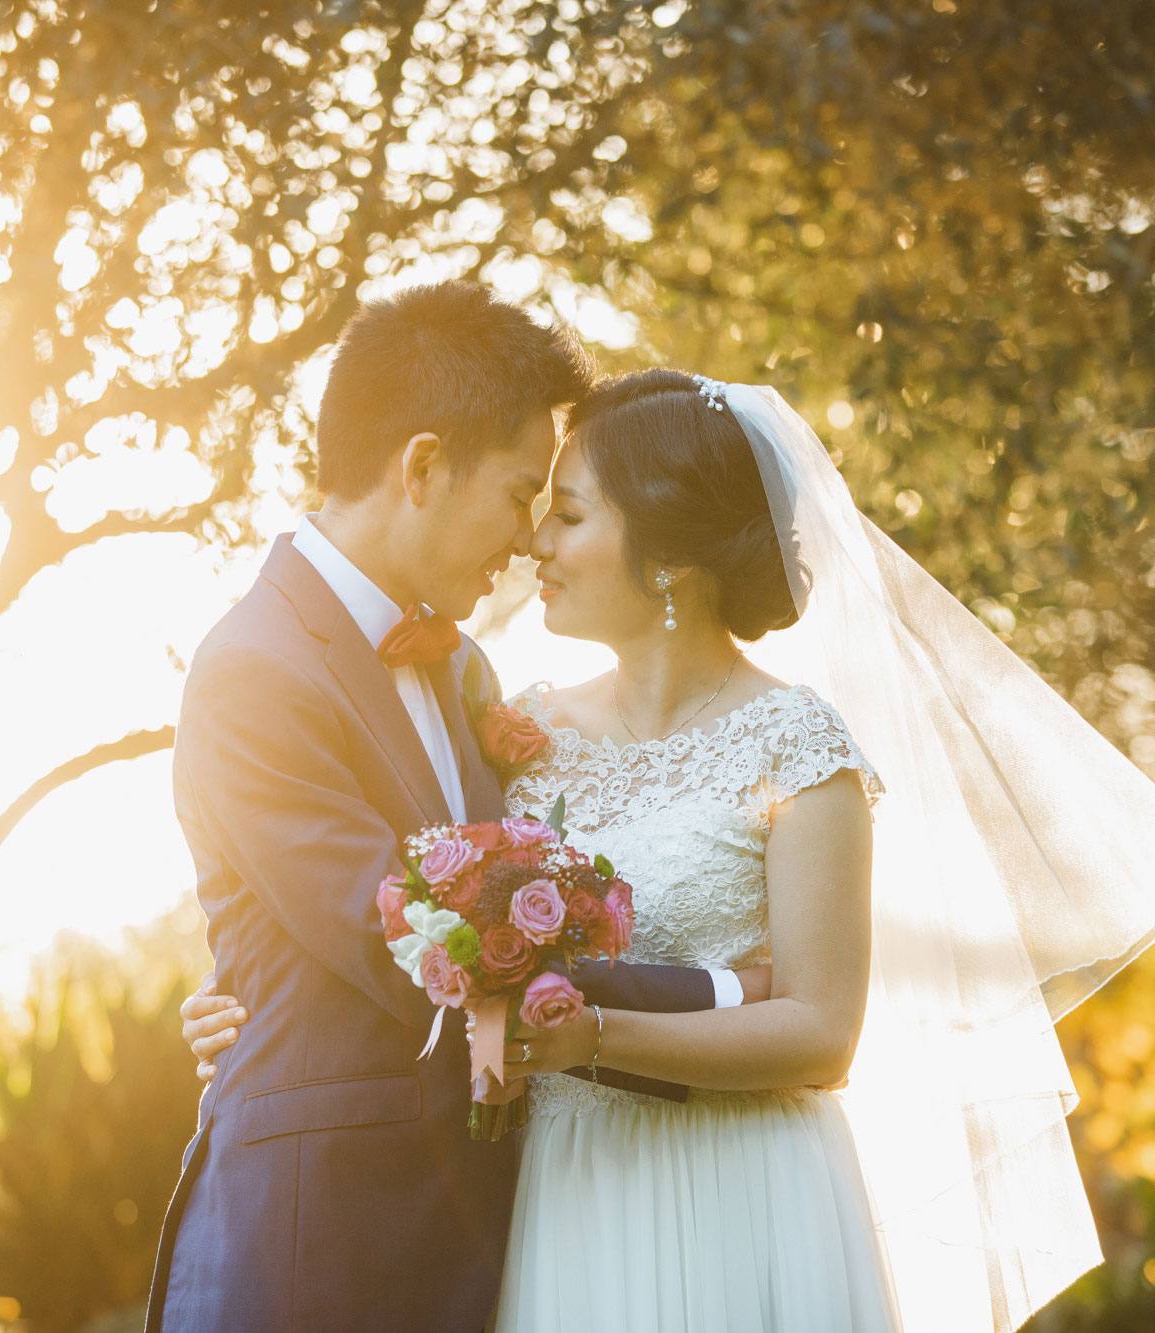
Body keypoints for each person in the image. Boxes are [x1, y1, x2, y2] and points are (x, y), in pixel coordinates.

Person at [182, 368, 1155, 1331]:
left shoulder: (799, 743)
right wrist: (250, 999)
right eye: (532, 505)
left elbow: (823, 1031)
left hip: (748, 1189)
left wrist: (586, 1033)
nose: (532, 543)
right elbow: (415, 902)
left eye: (568, 513)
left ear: (670, 554)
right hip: (565, 1191)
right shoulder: (518, 727)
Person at [146, 286, 772, 1333]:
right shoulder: (252, 667)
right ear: (422, 467)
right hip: (321, 1237)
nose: (529, 539)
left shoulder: (468, 670)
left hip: (492, 1227)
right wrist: (716, 991)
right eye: (522, 492)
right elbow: (408, 927)